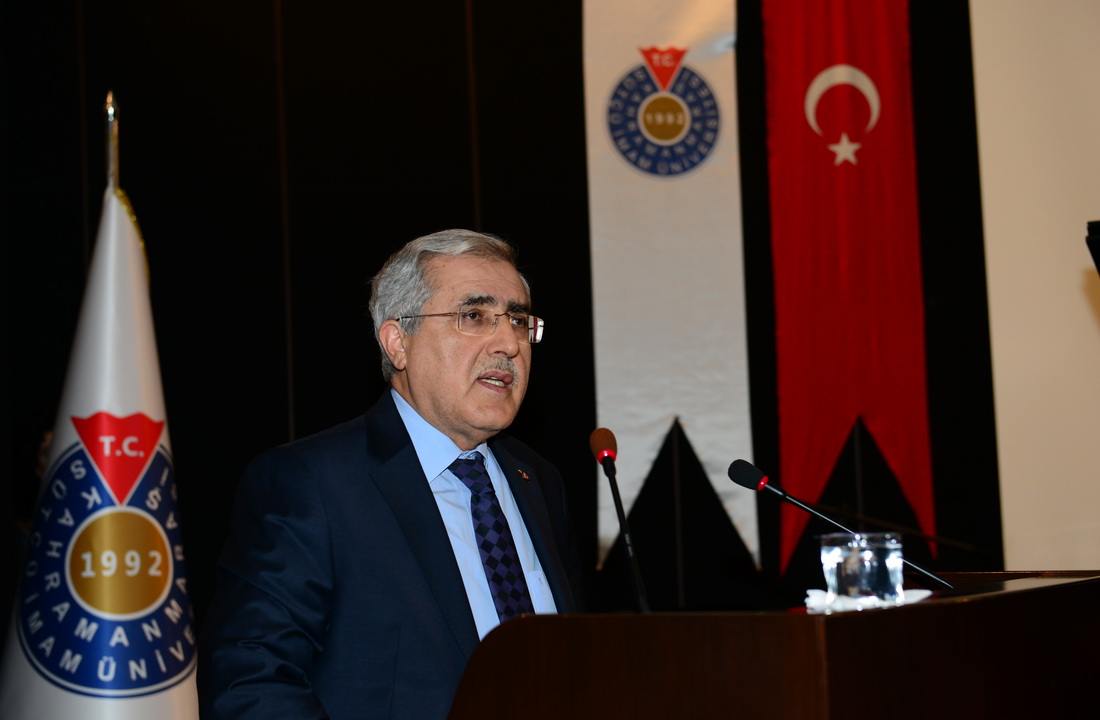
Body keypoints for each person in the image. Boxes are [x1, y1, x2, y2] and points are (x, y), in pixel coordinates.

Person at [198, 229, 582, 719]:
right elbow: (250, 681)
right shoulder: (313, 483)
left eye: (518, 319)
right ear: (398, 342)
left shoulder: (539, 481)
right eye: (474, 316)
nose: (509, 343)